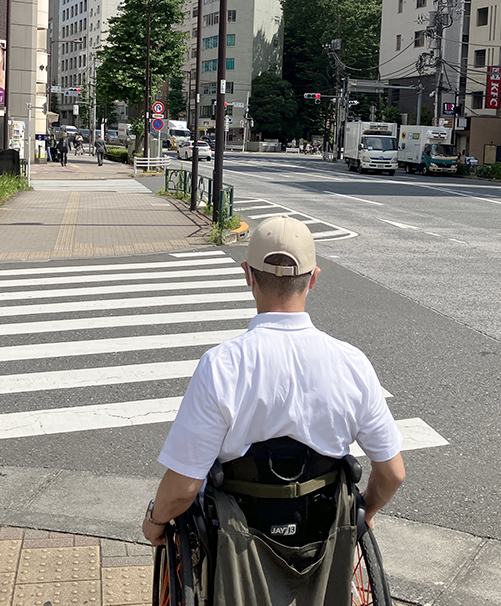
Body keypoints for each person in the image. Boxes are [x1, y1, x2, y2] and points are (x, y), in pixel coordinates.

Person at [143, 216, 406, 597]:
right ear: (313, 278)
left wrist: (155, 521)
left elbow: (183, 486)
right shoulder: (352, 363)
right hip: (324, 531)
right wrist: (363, 514)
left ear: (248, 275)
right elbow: (393, 472)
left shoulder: (223, 366)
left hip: (236, 542)